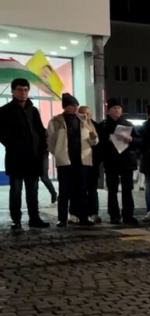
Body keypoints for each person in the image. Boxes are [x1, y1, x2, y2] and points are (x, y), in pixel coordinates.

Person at [0, 78, 50, 230]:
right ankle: (16, 220)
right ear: (13, 91)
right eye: (20, 90)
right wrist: (13, 145)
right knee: (15, 190)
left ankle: (34, 218)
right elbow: (1, 134)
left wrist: (44, 144)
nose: (23, 93)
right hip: (16, 158)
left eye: (26, 90)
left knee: (33, 190)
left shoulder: (33, 110)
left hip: (33, 158)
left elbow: (40, 131)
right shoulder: (4, 111)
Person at [47, 93, 99, 227]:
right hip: (65, 161)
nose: (75, 107)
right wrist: (58, 153)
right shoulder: (56, 120)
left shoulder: (84, 120)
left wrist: (93, 138)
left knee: (82, 190)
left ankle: (83, 217)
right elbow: (50, 140)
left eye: (76, 105)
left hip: (82, 160)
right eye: (72, 105)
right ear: (65, 106)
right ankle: (62, 218)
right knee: (64, 191)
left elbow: (94, 141)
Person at [99, 98, 141, 225]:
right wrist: (108, 140)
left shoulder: (128, 125)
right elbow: (98, 143)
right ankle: (114, 215)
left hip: (126, 161)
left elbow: (140, 141)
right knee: (112, 190)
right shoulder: (104, 126)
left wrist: (131, 139)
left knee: (127, 189)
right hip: (111, 161)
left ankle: (128, 215)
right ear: (108, 111)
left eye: (119, 108)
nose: (117, 110)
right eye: (114, 108)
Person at [77, 106, 102, 223]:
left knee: (92, 189)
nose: (85, 116)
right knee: (80, 189)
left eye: (87, 114)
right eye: (82, 113)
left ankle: (93, 212)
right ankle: (79, 213)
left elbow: (99, 145)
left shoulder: (95, 126)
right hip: (79, 162)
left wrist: (94, 139)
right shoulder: (75, 125)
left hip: (93, 162)